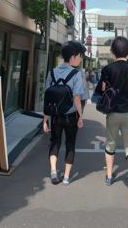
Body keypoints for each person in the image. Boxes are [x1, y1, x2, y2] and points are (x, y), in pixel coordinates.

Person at [100, 36, 128, 195]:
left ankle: (109, 176)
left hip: (112, 113)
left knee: (110, 144)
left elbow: (103, 90)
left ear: (112, 52)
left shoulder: (107, 69)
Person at [43, 41, 86, 186]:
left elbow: (47, 98)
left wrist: (45, 120)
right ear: (73, 56)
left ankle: (53, 171)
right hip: (71, 116)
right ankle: (66, 177)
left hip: (55, 115)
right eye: (80, 56)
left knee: (54, 142)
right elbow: (77, 98)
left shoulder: (52, 72)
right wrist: (80, 117)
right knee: (70, 144)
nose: (80, 59)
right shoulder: (76, 74)